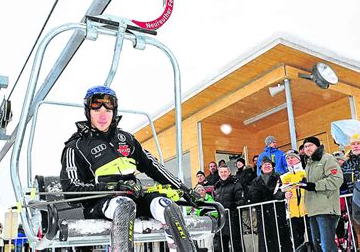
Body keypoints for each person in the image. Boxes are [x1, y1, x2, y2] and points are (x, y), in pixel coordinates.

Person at [59, 85, 199, 251]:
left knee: (167, 205)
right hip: (101, 203)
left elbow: (153, 166)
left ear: (114, 112)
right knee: (124, 205)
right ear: (88, 111)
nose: (103, 115)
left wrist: (183, 188)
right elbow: (70, 188)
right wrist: (113, 187)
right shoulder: (76, 147)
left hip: (135, 198)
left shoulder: (126, 139)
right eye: (97, 110)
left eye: (108, 111)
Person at [299, 136, 343, 252]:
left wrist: (314, 186)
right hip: (313, 210)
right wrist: (304, 184)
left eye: (310, 145)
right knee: (317, 246)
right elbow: (311, 184)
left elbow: (336, 179)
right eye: (305, 146)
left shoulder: (327, 158)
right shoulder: (309, 164)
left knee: (327, 246)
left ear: (317, 146)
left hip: (326, 209)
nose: (307, 148)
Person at [247, 156, 291, 252]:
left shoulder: (280, 177)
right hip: (262, 213)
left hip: (278, 211)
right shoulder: (255, 181)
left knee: (282, 235)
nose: (267, 166)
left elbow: (282, 191)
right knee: (265, 238)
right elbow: (252, 195)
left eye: (269, 164)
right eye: (265, 164)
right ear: (261, 167)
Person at [281, 149, 310, 250]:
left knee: (313, 238)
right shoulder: (283, 177)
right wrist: (284, 194)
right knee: (297, 241)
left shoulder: (306, 172)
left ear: (298, 159)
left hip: (308, 211)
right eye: (288, 158)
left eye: (292, 157)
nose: (290, 160)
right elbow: (276, 193)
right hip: (292, 213)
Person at [213, 164, 245, 251]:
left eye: (225, 172)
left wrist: (232, 206)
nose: (223, 174)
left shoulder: (236, 184)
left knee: (236, 244)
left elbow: (241, 200)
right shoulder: (217, 186)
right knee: (222, 246)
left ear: (229, 172)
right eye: (221, 172)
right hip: (221, 220)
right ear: (219, 173)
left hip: (233, 219)